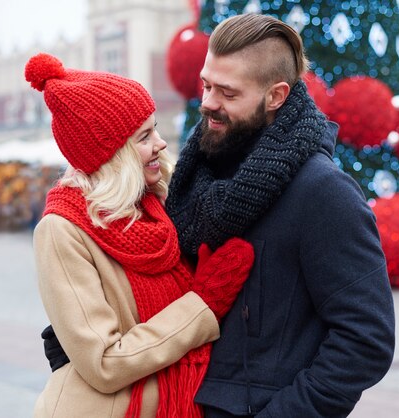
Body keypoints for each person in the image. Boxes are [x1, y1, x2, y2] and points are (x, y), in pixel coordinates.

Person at [45, 13, 395, 417]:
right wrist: (74, 330)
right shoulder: (193, 175)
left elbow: (366, 340)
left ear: (276, 96)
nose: (208, 101)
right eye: (207, 85)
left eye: (227, 93)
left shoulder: (323, 193)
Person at [25, 52, 254, 418]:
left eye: (156, 128)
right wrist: (202, 305)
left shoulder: (161, 201)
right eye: (144, 136)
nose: (160, 143)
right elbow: (104, 363)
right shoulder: (61, 230)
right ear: (113, 154)